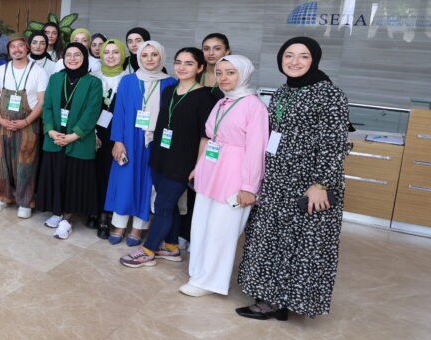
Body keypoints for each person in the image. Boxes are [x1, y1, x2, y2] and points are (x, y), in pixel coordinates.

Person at [236, 37, 350, 320]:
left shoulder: (329, 94)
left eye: (303, 56)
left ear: (315, 60)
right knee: (272, 239)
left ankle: (281, 302)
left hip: (307, 183)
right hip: (277, 180)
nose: (294, 62)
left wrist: (320, 184)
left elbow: (333, 144)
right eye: (289, 55)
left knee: (299, 244)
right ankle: (270, 298)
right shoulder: (283, 92)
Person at [120, 47, 218, 268]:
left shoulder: (205, 97)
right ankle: (172, 247)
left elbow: (206, 137)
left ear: (200, 67)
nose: (182, 67)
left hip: (183, 161)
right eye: (179, 62)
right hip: (160, 156)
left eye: (189, 63)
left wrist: (197, 166)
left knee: (163, 205)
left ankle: (148, 250)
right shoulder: (169, 91)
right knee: (170, 206)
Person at [180, 55, 268, 297]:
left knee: (222, 232)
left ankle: (210, 282)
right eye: (219, 73)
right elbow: (212, 138)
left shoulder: (254, 106)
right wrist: (199, 167)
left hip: (234, 178)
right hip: (211, 173)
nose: (223, 78)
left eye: (231, 72)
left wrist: (249, 186)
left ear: (244, 74)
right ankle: (198, 273)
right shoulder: (221, 102)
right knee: (201, 227)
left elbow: (256, 150)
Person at [104, 41, 176, 246]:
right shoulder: (128, 81)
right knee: (124, 182)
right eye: (145, 55)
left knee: (147, 185)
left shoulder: (170, 83)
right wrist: (118, 141)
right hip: (129, 139)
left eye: (154, 55)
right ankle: (119, 225)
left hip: (154, 142)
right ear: (138, 58)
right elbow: (120, 113)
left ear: (161, 57)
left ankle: (138, 228)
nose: (150, 59)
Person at [38, 43, 103, 240]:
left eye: (77, 55)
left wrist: (75, 135)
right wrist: (50, 130)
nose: (72, 58)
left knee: (74, 180)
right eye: (68, 55)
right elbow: (47, 105)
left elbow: (92, 111)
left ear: (85, 58)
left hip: (78, 139)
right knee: (57, 175)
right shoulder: (56, 78)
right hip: (55, 137)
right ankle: (57, 211)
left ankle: (67, 219)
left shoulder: (93, 82)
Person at [0, 36, 48, 219]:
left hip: (28, 124)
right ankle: (1, 196)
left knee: (26, 164)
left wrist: (26, 121)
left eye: (21, 46)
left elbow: (42, 102)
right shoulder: (1, 70)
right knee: (0, 161)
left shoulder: (38, 71)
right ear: (9, 50)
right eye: (13, 47)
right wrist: (0, 119)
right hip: (2, 123)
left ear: (27, 49)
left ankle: (25, 201)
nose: (17, 49)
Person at [94, 39, 128, 237]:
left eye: (116, 52)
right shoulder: (93, 77)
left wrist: (120, 139)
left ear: (122, 55)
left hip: (116, 135)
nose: (111, 56)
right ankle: (92, 209)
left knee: (109, 174)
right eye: (107, 52)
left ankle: (105, 216)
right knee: (94, 172)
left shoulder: (129, 79)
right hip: (93, 132)